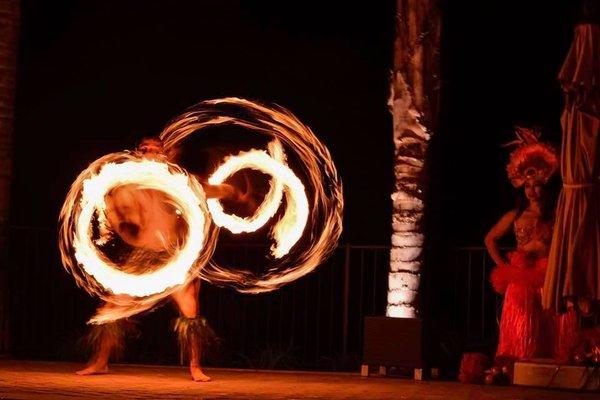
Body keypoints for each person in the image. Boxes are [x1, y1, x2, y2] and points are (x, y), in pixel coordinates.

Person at [76, 137, 250, 381]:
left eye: (155, 150)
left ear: (164, 154)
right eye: (144, 149)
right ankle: (100, 362)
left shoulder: (179, 183)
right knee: (112, 308)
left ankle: (195, 367)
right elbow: (112, 210)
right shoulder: (127, 185)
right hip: (144, 256)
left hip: (175, 254)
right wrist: (115, 220)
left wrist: (234, 192)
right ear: (137, 153)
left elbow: (210, 189)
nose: (149, 153)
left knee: (190, 307)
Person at [485, 128, 576, 369]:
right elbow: (490, 239)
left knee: (553, 320)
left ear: (546, 187)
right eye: (527, 186)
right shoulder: (516, 215)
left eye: (536, 186)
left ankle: (552, 364)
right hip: (521, 275)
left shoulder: (556, 215)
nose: (532, 191)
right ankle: (516, 363)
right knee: (522, 321)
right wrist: (504, 266)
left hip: (548, 273)